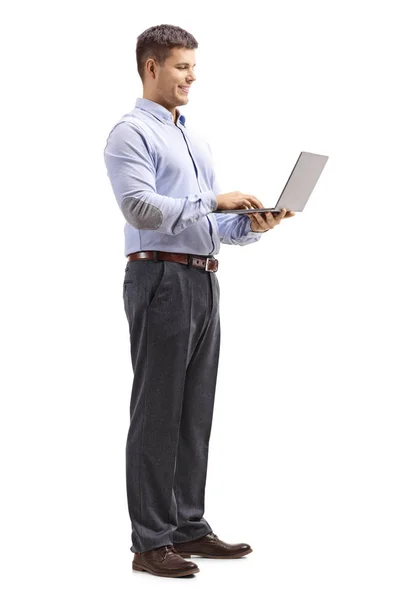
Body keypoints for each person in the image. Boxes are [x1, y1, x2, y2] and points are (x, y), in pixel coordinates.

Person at [103, 23, 295, 579]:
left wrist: (255, 224)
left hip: (203, 279)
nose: (192, 76)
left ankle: (187, 526)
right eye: (182, 66)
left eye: (194, 66)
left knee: (193, 414)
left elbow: (209, 223)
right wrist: (214, 197)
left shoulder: (192, 136)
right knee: (157, 411)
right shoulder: (129, 134)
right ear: (151, 67)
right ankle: (150, 542)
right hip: (159, 279)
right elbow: (140, 208)